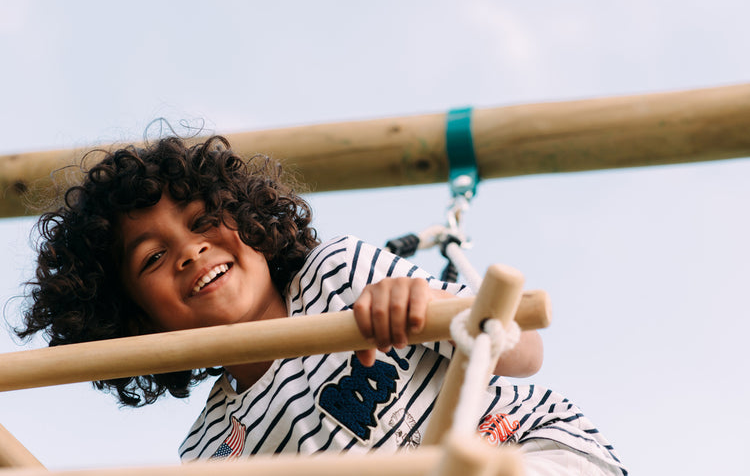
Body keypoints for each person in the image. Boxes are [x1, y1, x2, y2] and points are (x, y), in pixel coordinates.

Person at [16, 135, 626, 475]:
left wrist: (424, 304)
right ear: (136, 319)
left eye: (204, 220)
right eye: (152, 257)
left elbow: (525, 351)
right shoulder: (212, 449)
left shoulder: (338, 280)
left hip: (528, 450)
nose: (190, 250)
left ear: (250, 224)